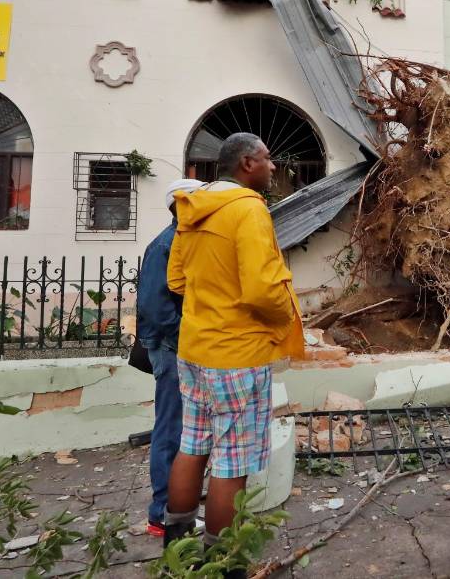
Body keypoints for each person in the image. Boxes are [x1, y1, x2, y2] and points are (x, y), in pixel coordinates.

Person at [163, 133, 305, 574]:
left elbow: (177, 280)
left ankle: (177, 548)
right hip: (237, 354)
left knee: (192, 445)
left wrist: (214, 298)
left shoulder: (192, 206)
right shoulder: (249, 209)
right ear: (247, 163)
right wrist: (285, 317)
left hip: (194, 349)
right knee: (233, 461)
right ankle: (223, 562)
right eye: (268, 159)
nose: (273, 167)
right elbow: (263, 287)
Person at [136, 178, 203, 536]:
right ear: (184, 204)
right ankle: (162, 512)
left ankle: (178, 505)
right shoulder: (165, 245)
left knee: (185, 429)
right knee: (171, 428)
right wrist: (187, 334)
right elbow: (154, 307)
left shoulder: (185, 241)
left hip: (180, 346)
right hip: (170, 347)